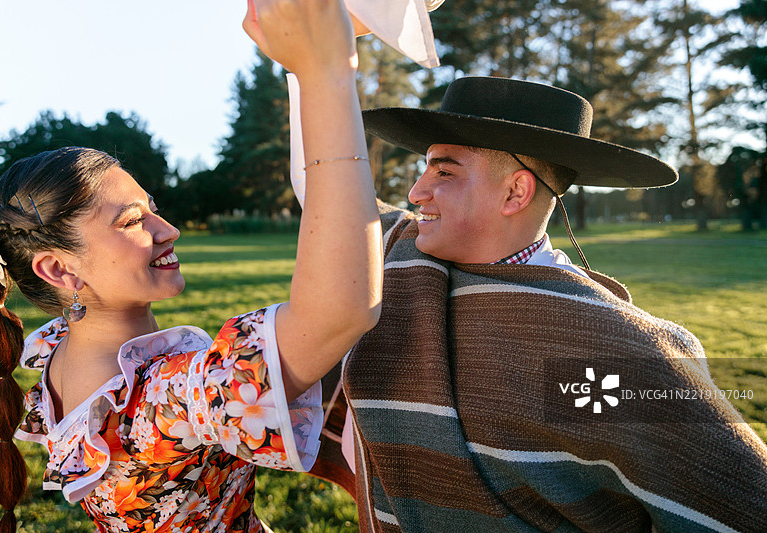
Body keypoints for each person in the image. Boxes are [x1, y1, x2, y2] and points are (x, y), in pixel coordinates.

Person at [0, 0, 382, 531]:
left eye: (154, 210)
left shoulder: (55, 357)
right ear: (59, 270)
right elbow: (339, 311)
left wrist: (307, 63)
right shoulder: (164, 402)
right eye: (132, 221)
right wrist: (327, 74)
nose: (168, 231)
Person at [308, 76, 767, 532]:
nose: (416, 192)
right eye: (424, 168)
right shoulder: (400, 253)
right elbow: (320, 188)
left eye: (443, 171)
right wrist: (316, 61)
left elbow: (740, 507)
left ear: (515, 193)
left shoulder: (622, 350)